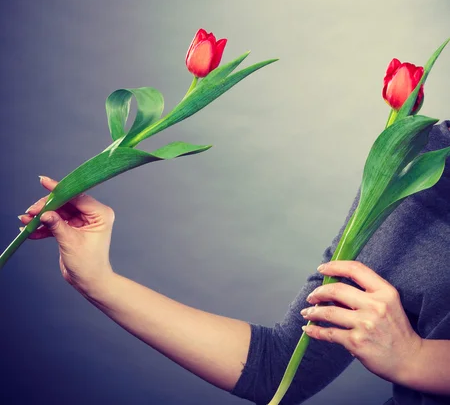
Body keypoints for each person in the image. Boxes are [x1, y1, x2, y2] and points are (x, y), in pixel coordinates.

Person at [19, 120, 450, 405]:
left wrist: (416, 358)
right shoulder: (421, 159)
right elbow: (281, 368)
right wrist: (97, 280)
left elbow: (411, 357)